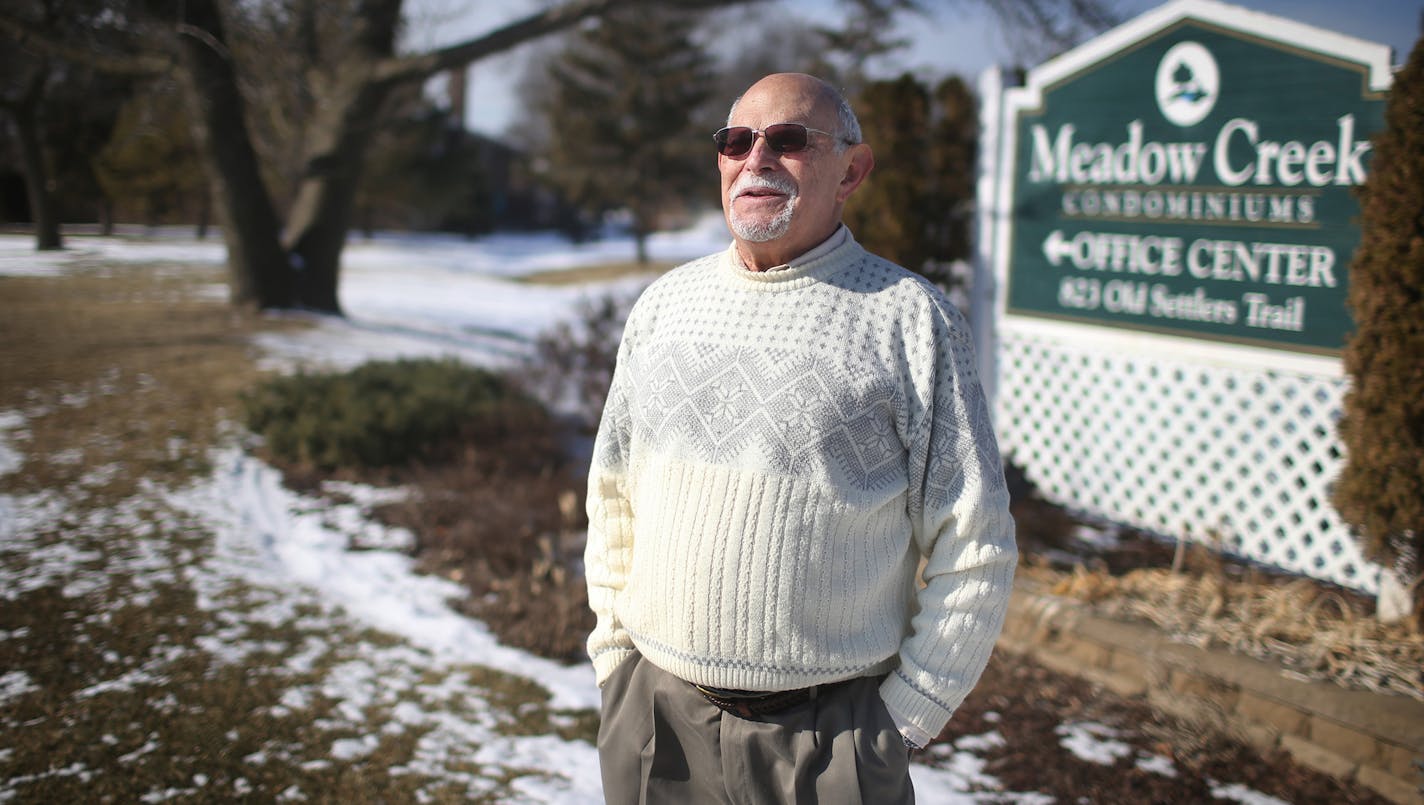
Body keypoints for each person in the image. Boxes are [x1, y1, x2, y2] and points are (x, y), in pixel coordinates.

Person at [584, 72, 1017, 804]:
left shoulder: (910, 321)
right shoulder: (663, 307)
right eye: (736, 141)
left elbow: (975, 542)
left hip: (831, 742)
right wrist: (614, 660)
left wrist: (902, 721)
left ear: (851, 170)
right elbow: (613, 495)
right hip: (656, 722)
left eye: (787, 141)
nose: (755, 159)